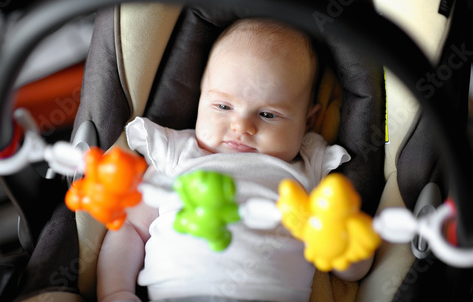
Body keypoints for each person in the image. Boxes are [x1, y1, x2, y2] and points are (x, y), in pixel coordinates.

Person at [97, 18, 372, 302]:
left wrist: (340, 247)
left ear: (308, 122)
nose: (241, 127)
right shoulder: (177, 155)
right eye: (224, 106)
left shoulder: (310, 168)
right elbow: (129, 228)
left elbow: (355, 269)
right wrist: (116, 292)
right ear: (200, 99)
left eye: (268, 114)